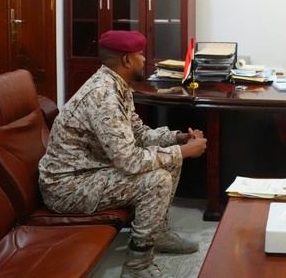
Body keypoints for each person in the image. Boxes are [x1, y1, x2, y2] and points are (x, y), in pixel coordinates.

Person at [39, 30, 207, 278]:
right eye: (140, 55)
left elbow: (137, 133)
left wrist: (177, 138)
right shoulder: (103, 95)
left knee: (170, 161)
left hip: (92, 171)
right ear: (127, 60)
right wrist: (183, 151)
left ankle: (158, 233)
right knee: (157, 179)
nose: (144, 60)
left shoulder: (117, 85)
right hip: (68, 187)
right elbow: (130, 161)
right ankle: (138, 266)